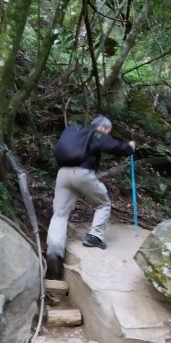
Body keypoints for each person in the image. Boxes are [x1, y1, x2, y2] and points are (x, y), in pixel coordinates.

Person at [46, 115, 135, 280]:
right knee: (104, 204)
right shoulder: (95, 134)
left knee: (60, 213)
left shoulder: (74, 131)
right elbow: (112, 145)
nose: (107, 134)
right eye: (107, 131)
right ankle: (95, 236)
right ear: (101, 127)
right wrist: (128, 147)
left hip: (62, 174)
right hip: (83, 173)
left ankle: (53, 251)